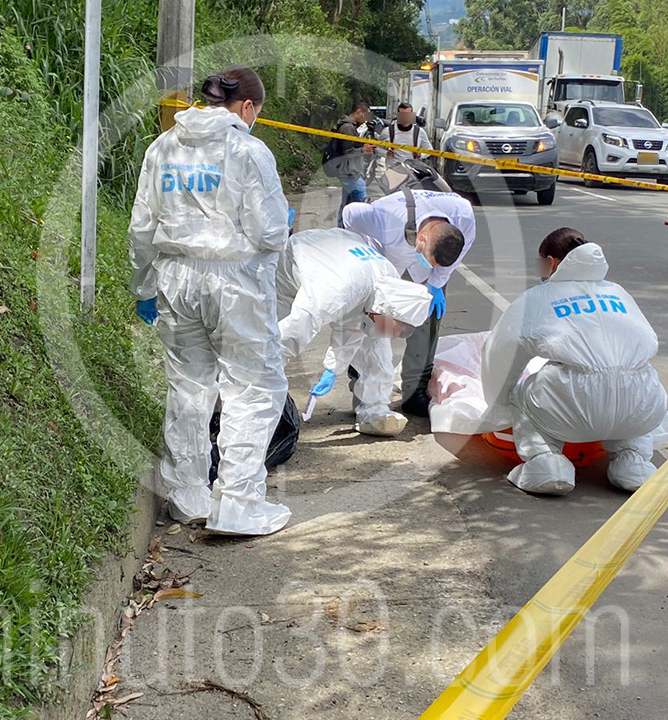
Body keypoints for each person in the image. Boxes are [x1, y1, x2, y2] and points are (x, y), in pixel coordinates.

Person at [129, 66, 292, 536]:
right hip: (235, 282)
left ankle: (187, 495)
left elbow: (142, 226)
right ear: (246, 107)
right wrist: (284, 221)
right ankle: (237, 504)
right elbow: (269, 231)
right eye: (256, 111)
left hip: (174, 278)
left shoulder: (162, 147)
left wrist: (144, 287)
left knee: (189, 387)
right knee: (252, 389)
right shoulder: (246, 149)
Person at [482, 229, 668, 495]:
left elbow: (501, 353)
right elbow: (648, 340)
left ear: (552, 263)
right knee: (630, 381)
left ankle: (546, 463)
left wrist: (498, 404)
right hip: (641, 404)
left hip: (573, 406)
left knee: (519, 394)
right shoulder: (617, 292)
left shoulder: (538, 297)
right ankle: (633, 463)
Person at [276, 228, 434, 436]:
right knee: (276, 328)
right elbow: (298, 326)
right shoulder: (334, 292)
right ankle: (252, 388)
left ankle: (374, 411)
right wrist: (269, 362)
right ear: (383, 312)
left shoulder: (390, 286)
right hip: (296, 258)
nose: (389, 334)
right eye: (390, 328)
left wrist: (333, 367)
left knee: (378, 349)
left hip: (344, 253)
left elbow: (354, 325)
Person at [341, 189, 475, 418]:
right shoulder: (383, 217)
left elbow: (454, 258)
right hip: (385, 263)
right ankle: (363, 386)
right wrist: (368, 254)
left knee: (427, 324)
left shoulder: (464, 216)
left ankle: (414, 392)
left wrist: (437, 281)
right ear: (421, 239)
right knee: (376, 325)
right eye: (428, 258)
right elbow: (348, 214)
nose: (430, 264)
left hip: (426, 279)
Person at [367, 102, 434, 197]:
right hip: (393, 171)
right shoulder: (388, 131)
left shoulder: (419, 132)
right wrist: (386, 153)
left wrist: (420, 155)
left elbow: (429, 150)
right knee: (395, 198)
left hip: (412, 172)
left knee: (412, 199)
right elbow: (376, 148)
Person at [329, 101, 374, 227]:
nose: (365, 121)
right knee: (363, 205)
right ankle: (364, 232)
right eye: (365, 116)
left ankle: (342, 229)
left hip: (347, 171)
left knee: (347, 205)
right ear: (359, 112)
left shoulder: (347, 126)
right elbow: (347, 152)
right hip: (350, 173)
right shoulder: (348, 128)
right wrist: (363, 150)